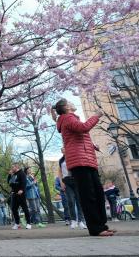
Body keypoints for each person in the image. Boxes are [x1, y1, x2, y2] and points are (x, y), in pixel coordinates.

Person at [53, 98, 113, 237]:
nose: (73, 103)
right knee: (89, 196)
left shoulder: (70, 118)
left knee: (97, 194)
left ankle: (101, 225)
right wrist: (96, 116)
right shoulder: (67, 118)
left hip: (87, 159)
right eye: (69, 102)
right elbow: (83, 128)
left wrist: (92, 146)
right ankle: (96, 229)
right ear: (66, 107)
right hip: (80, 161)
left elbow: (76, 137)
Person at [58, 148, 87, 229]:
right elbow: (60, 172)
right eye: (62, 150)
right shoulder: (61, 160)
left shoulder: (73, 157)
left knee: (79, 201)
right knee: (70, 200)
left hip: (76, 180)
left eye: (64, 149)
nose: (63, 150)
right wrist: (61, 182)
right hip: (66, 181)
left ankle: (81, 221)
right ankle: (73, 220)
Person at [8, 163, 32, 230]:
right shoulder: (13, 174)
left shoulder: (22, 173)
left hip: (21, 194)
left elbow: (24, 182)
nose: (12, 168)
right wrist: (9, 175)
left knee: (25, 208)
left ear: (16, 167)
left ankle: (29, 223)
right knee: (14, 208)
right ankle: (17, 224)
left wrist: (22, 189)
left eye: (13, 167)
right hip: (14, 193)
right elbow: (9, 183)